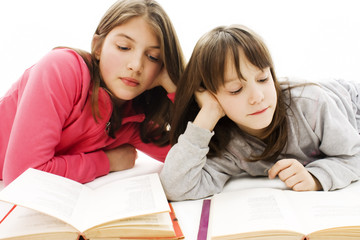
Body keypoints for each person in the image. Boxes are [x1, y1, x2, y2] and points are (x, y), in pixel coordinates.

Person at [160, 24, 360, 201]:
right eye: (236, 89)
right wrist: (209, 113)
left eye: (263, 79)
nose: (258, 97)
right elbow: (176, 187)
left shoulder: (311, 104)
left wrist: (316, 178)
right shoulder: (229, 144)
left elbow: (354, 156)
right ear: (213, 96)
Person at [0, 0, 185, 186]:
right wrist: (107, 161)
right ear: (98, 47)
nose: (136, 65)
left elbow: (195, 160)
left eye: (153, 57)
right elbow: (21, 178)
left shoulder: (133, 121)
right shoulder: (61, 69)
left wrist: (175, 89)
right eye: (123, 47)